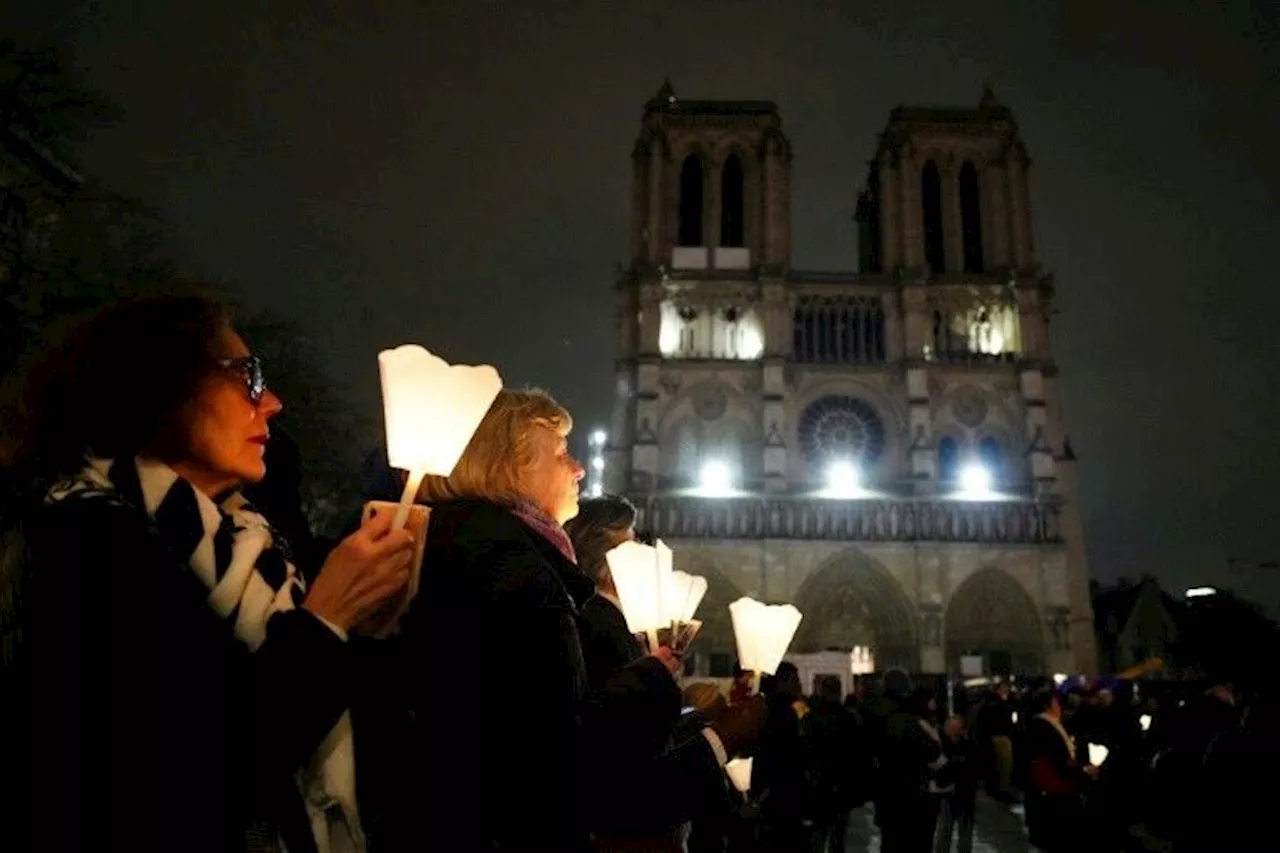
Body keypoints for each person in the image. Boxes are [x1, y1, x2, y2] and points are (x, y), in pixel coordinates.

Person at [0, 295, 415, 852]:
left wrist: (365, 628)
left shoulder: (243, 541)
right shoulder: (80, 540)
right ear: (157, 384)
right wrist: (325, 620)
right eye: (246, 376)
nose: (272, 402)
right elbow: (182, 771)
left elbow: (326, 718)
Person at [396, 389, 743, 851]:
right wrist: (676, 702)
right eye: (561, 454)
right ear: (509, 468)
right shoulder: (511, 570)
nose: (579, 468)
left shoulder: (487, 552)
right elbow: (564, 765)